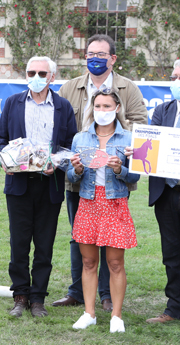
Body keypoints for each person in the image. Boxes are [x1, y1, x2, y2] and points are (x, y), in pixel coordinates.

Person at [53, 34, 148, 312]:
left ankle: (107, 295)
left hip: (114, 179)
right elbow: (60, 126)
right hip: (80, 178)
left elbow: (142, 125)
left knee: (111, 239)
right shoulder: (70, 87)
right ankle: (78, 292)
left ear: (112, 58)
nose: (94, 58)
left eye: (100, 54)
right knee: (79, 236)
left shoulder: (127, 88)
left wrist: (118, 143)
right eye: (90, 54)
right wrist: (74, 157)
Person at [0, 56, 77, 318]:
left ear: (52, 76)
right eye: (32, 72)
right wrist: (6, 158)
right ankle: (20, 296)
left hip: (50, 185)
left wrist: (59, 164)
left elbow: (69, 146)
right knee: (19, 243)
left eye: (43, 73)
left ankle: (38, 298)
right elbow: (0, 140)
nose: (37, 77)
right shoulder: (13, 103)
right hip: (18, 184)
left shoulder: (63, 107)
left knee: (45, 244)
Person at [67, 90, 139, 333]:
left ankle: (116, 316)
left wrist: (120, 169)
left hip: (115, 203)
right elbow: (70, 175)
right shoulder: (80, 138)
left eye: (107, 106)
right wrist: (76, 170)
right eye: (98, 106)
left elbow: (136, 175)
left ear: (117, 108)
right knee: (88, 261)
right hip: (88, 203)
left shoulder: (129, 138)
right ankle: (89, 313)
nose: (102, 110)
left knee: (115, 263)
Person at [145, 60, 180, 324]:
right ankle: (174, 308)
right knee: (172, 253)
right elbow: (152, 147)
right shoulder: (162, 110)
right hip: (166, 193)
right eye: (175, 76)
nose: (176, 81)